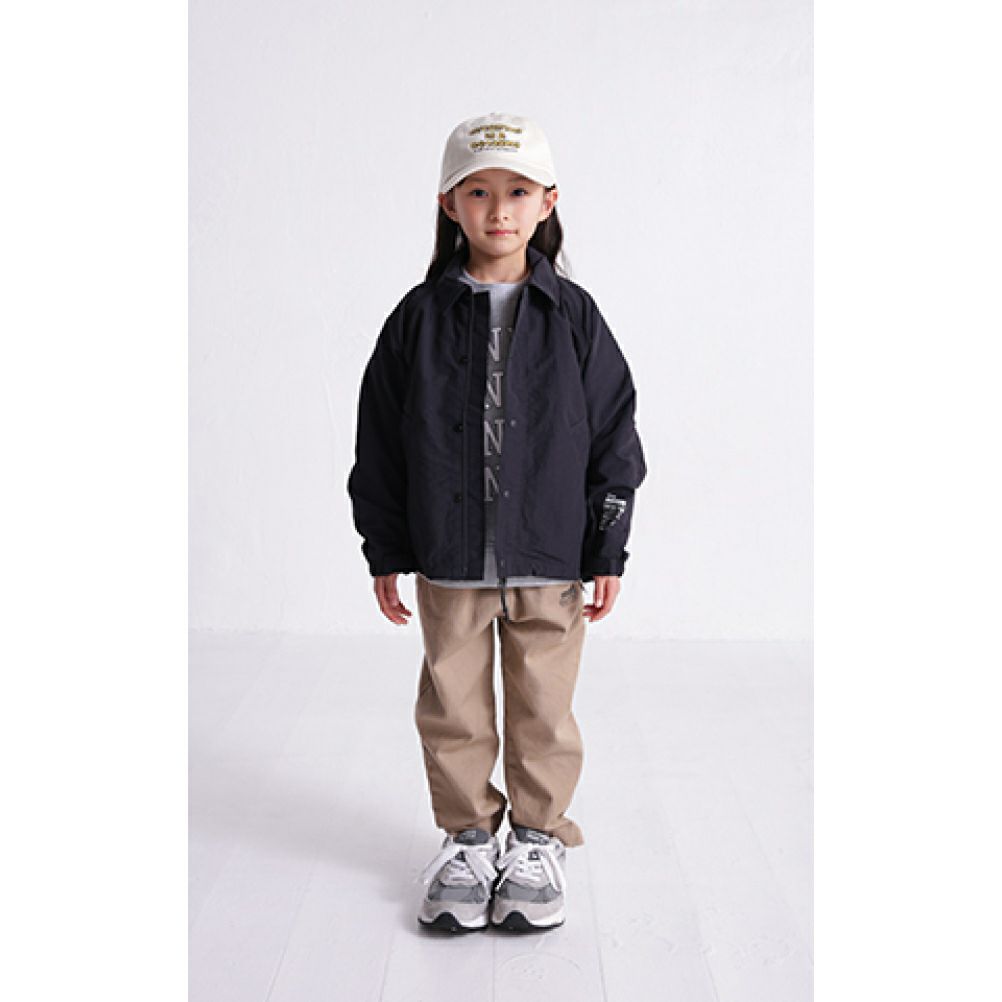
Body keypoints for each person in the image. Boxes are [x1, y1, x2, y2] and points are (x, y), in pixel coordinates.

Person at [347, 111, 647, 933]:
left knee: (544, 708)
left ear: (548, 202)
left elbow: (614, 434)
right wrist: (386, 546)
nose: (499, 209)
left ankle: (539, 841)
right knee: (453, 706)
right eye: (478, 192)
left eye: (517, 191)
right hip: (449, 556)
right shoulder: (418, 318)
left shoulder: (574, 316)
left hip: (550, 557)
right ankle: (468, 840)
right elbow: (379, 438)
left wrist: (607, 545)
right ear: (449, 204)